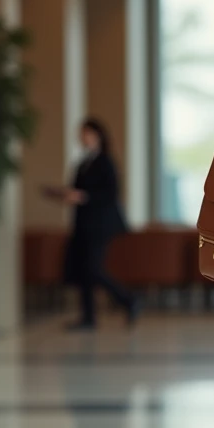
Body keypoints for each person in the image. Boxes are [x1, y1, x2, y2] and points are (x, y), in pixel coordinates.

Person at [46, 118, 139, 331]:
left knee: (93, 268)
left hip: (100, 225)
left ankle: (127, 299)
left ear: (97, 135)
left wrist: (84, 196)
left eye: (87, 133)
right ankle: (88, 316)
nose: (83, 138)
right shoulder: (82, 164)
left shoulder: (105, 162)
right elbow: (76, 192)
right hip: (83, 224)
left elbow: (109, 195)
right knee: (83, 269)